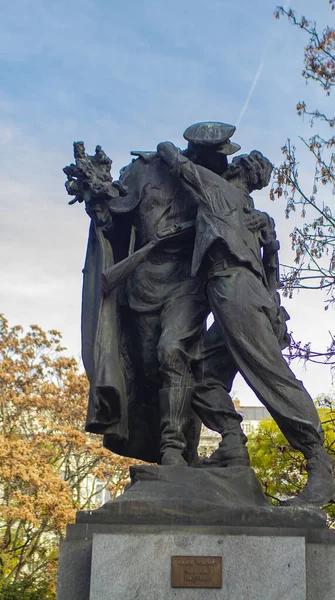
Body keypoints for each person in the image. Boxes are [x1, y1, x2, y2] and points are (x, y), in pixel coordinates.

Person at [157, 141, 335, 506]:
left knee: (269, 374)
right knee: (202, 376)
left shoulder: (219, 190)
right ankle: (232, 444)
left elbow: (177, 162)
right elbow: (273, 272)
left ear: (237, 171)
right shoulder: (256, 215)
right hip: (247, 295)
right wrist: (273, 307)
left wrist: (164, 149)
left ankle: (319, 464)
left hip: (233, 290)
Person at [64, 124, 243, 466]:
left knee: (173, 352)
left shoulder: (214, 184)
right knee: (148, 374)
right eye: (219, 155)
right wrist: (99, 206)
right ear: (199, 151)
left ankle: (174, 448)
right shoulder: (145, 169)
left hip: (187, 285)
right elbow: (116, 219)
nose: (223, 163)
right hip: (142, 286)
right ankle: (171, 454)